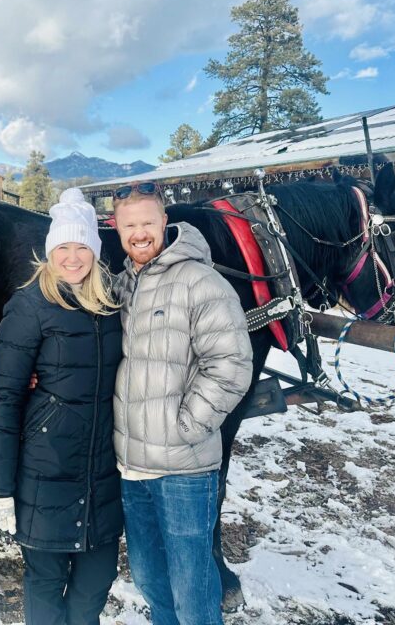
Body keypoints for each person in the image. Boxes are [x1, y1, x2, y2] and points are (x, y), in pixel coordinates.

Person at [111, 181, 253, 625]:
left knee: (193, 589)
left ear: (164, 223)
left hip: (184, 473)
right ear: (117, 230)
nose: (139, 233)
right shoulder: (125, 285)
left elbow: (231, 364)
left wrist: (186, 427)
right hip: (132, 470)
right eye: (129, 225)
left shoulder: (200, 280)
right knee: (152, 582)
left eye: (147, 223)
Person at [0, 188, 124, 625]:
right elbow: (4, 399)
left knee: (93, 588)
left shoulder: (113, 304)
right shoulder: (29, 306)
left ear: (96, 252)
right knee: (45, 587)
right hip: (46, 473)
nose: (73, 257)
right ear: (48, 252)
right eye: (63, 246)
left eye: (82, 246)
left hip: (103, 472)